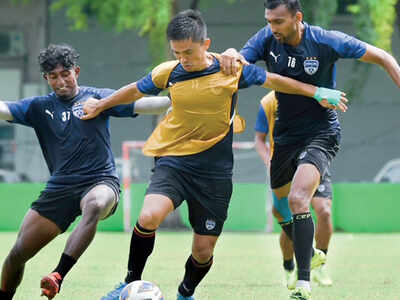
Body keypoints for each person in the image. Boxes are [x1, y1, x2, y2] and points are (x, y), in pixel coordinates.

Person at [80, 9, 347, 300]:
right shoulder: (168, 71)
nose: (183, 58)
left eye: (189, 52)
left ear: (205, 44)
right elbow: (135, 90)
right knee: (148, 216)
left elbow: (275, 81)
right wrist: (101, 105)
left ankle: (186, 292)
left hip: (215, 173)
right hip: (174, 161)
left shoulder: (230, 69)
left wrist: (316, 91)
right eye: (177, 52)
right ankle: (129, 282)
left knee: (203, 250)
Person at [220, 0, 400, 298]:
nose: (272, 27)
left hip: (322, 132)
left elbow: (382, 56)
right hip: (286, 135)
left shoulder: (325, 41)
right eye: (269, 20)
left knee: (298, 198)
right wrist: (230, 54)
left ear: (297, 18)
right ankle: (308, 252)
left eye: (278, 21)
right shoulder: (266, 38)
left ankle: (303, 283)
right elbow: (240, 60)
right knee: (281, 208)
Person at [0, 44, 171, 300]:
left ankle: (58, 275)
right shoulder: (39, 107)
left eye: (65, 73)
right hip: (59, 189)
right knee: (17, 255)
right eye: (54, 76)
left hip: (101, 182)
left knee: (94, 203)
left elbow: (148, 104)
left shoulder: (99, 99)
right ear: (46, 78)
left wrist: (182, 99)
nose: (61, 81)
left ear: (76, 71)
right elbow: (4, 109)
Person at [254, 91, 333, 289]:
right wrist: (269, 162)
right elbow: (259, 139)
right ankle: (290, 268)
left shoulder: (312, 92)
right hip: (284, 162)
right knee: (287, 215)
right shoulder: (268, 102)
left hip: (312, 157)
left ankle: (319, 263)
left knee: (324, 210)